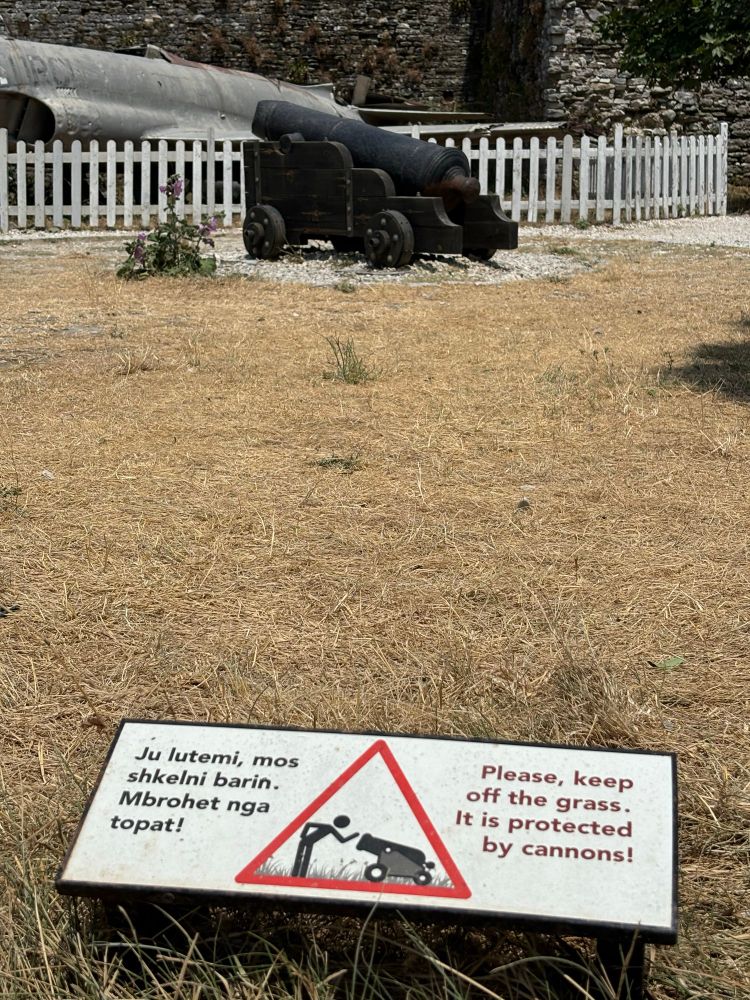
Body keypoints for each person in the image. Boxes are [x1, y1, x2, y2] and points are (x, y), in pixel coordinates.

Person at [291, 815, 358, 877]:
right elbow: (309, 824)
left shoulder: (331, 828)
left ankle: (300, 878)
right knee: (299, 860)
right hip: (304, 842)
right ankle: (294, 876)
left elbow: (342, 840)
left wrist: (354, 835)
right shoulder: (329, 827)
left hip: (310, 844)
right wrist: (303, 836)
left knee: (305, 861)